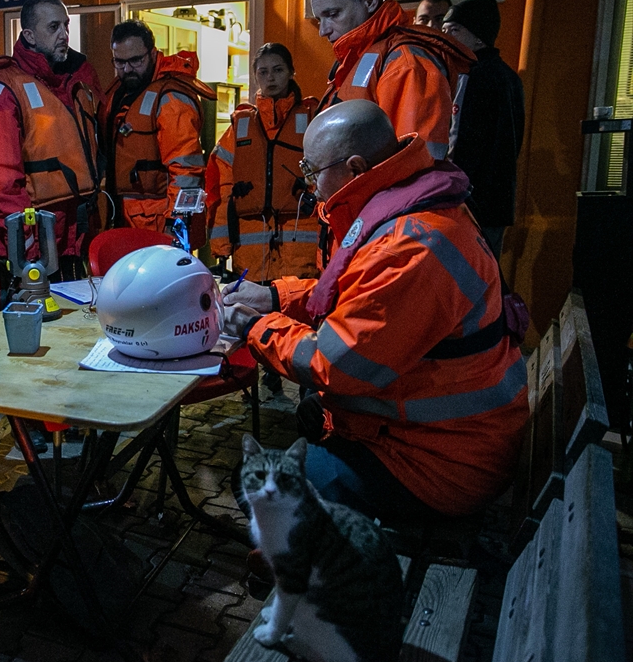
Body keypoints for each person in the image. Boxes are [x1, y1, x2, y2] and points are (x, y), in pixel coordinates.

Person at [222, 100, 529, 522]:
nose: (309, 186)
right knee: (311, 416)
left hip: (440, 465)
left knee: (250, 480)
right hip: (450, 438)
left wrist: (255, 326)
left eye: (312, 172)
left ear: (354, 168)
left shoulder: (413, 245)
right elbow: (365, 297)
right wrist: (275, 297)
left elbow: (335, 364)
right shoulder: (416, 209)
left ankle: (319, 570)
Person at [0, 0, 103, 279]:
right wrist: (26, 249)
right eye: (54, 27)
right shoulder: (1, 92)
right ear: (28, 35)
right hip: (23, 247)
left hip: (66, 241)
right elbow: (2, 183)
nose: (64, 35)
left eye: (66, 26)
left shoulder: (70, 83)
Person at [310, 0, 474, 160]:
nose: (323, 31)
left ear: (369, 1)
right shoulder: (357, 57)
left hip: (375, 191)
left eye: (332, 14)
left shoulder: (407, 62)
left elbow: (414, 164)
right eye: (320, 19)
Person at [208, 43, 321, 282]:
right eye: (263, 72)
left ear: (291, 72)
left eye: (278, 70)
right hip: (250, 256)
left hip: (300, 251)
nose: (270, 78)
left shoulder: (312, 120)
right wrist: (220, 250)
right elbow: (223, 190)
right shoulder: (240, 127)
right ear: (255, 75)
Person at [103, 19, 210, 243]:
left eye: (135, 60)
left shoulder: (171, 98)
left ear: (153, 54)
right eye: (119, 62)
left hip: (159, 223)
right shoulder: (118, 92)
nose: (127, 69)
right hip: (125, 217)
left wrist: (176, 222)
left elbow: (186, 170)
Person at [442, 0, 525, 255]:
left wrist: (448, 189)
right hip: (496, 202)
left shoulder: (471, 76)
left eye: (454, 30)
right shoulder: (509, 76)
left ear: (479, 37)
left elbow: (461, 141)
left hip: (470, 202)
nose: (445, 37)